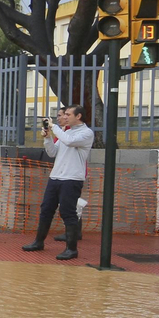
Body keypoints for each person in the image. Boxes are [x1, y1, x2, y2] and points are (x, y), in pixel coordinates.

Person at [22, 103, 94, 260]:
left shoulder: (86, 133)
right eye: (64, 114)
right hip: (55, 177)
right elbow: (53, 152)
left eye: (68, 115)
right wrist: (47, 138)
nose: (64, 117)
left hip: (71, 179)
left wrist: (54, 128)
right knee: (46, 209)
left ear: (78, 116)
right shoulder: (65, 133)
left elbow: (69, 141)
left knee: (68, 212)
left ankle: (71, 249)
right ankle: (38, 242)